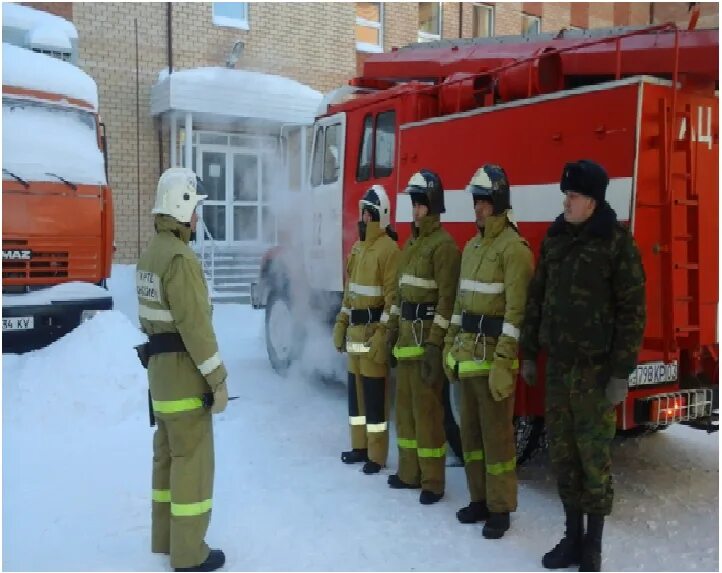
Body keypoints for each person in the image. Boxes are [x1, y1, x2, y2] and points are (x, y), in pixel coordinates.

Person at [519, 160, 646, 571]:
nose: (566, 202)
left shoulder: (615, 243)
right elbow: (537, 298)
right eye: (566, 196)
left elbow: (632, 312)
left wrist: (620, 373)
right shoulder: (556, 239)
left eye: (572, 196)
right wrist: (528, 353)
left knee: (594, 460)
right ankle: (571, 538)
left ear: (592, 202)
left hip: (594, 374)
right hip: (559, 368)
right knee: (564, 456)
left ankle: (593, 547)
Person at [136, 167, 228, 573]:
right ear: (181, 205)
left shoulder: (151, 253)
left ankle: (165, 539)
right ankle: (189, 554)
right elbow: (196, 328)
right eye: (195, 209)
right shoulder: (180, 259)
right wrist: (218, 380)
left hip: (159, 377)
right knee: (192, 460)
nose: (197, 218)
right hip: (185, 376)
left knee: (167, 457)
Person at [443, 164, 533, 539]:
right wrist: (449, 345)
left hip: (494, 357)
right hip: (467, 356)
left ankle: (500, 508)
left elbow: (515, 315)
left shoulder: (515, 250)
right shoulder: (473, 247)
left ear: (497, 201)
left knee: (498, 439)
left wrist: (503, 362)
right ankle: (479, 499)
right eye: (475, 201)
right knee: (472, 437)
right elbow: (460, 305)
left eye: (481, 201)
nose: (476, 208)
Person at [388, 169, 461, 505]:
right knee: (404, 414)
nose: (414, 210)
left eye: (419, 204)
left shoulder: (443, 247)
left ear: (432, 206)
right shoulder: (412, 245)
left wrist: (435, 345)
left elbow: (447, 301)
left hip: (424, 346)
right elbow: (401, 296)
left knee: (428, 416)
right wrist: (390, 336)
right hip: (405, 344)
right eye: (413, 204)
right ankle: (409, 473)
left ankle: (432, 481)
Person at [332, 185, 400, 474]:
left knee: (375, 403)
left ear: (379, 216)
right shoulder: (358, 249)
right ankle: (359, 446)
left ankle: (376, 455)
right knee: (356, 401)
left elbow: (392, 301)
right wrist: (340, 325)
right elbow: (349, 296)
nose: (363, 218)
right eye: (362, 212)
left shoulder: (389, 250)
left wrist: (382, 336)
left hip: (372, 336)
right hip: (355, 337)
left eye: (368, 213)